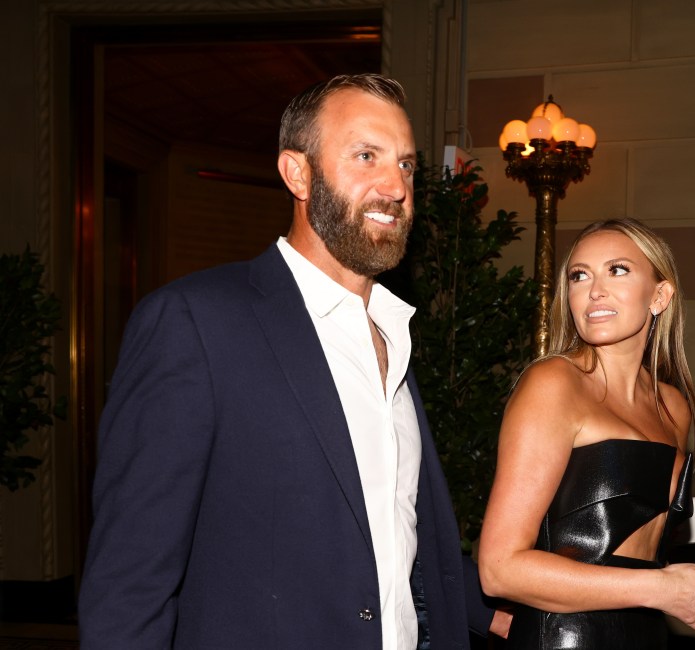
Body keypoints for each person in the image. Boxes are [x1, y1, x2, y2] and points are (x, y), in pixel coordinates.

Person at [79, 74, 507, 649]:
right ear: (297, 172)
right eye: (365, 156)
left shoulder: (391, 332)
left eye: (405, 164)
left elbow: (397, 529)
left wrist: (505, 611)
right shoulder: (196, 323)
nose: (395, 185)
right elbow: (130, 578)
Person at [478, 219, 695, 650]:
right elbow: (499, 568)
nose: (594, 290)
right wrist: (663, 589)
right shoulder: (554, 383)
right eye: (579, 276)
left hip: (644, 631)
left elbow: (644, 551)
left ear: (659, 295)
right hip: (563, 636)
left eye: (617, 270)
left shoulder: (674, 407)